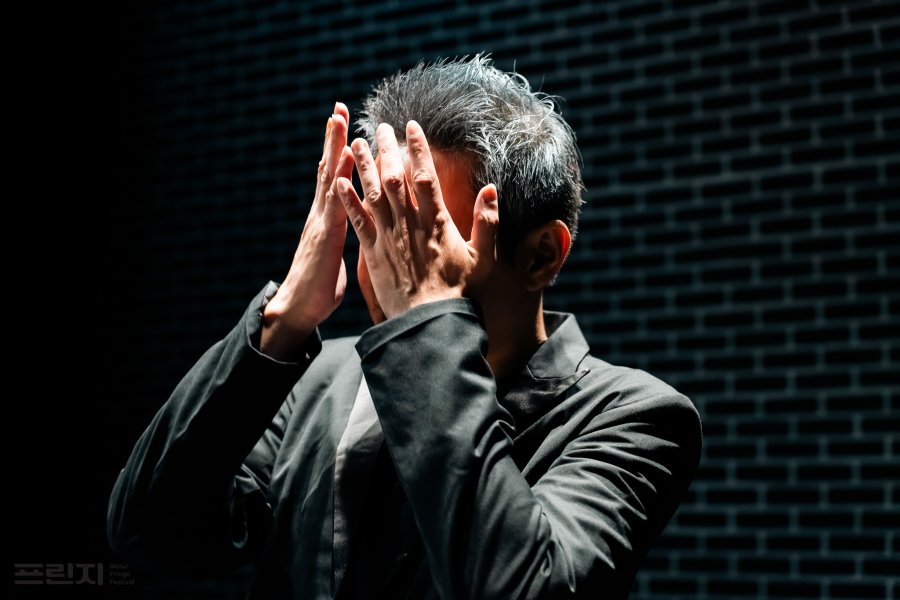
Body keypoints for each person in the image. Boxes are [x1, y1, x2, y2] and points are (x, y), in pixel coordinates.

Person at [107, 55, 702, 599]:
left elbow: (518, 588)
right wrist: (284, 319)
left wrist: (425, 319)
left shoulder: (633, 418)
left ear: (541, 255)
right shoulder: (318, 380)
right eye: (378, 222)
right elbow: (148, 534)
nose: (391, 259)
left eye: (420, 232)